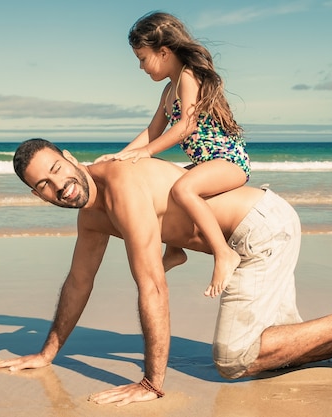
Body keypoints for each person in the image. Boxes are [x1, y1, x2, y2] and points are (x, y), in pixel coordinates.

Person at [0, 138, 332, 406]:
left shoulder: (121, 184)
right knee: (281, 352)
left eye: (55, 169)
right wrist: (47, 353)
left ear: (69, 157)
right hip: (250, 234)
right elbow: (78, 283)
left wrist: (153, 382)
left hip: (261, 230)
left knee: (233, 361)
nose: (57, 185)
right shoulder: (91, 216)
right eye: (43, 185)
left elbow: (151, 284)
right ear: (38, 195)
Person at [96, 12, 251, 298]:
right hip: (205, 162)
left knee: (184, 188)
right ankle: (175, 251)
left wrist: (146, 153)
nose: (140, 67)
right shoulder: (169, 90)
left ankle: (223, 253)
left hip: (229, 161)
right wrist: (120, 156)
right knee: (165, 193)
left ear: (164, 52)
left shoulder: (188, 78)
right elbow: (153, 130)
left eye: (143, 58)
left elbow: (186, 125)